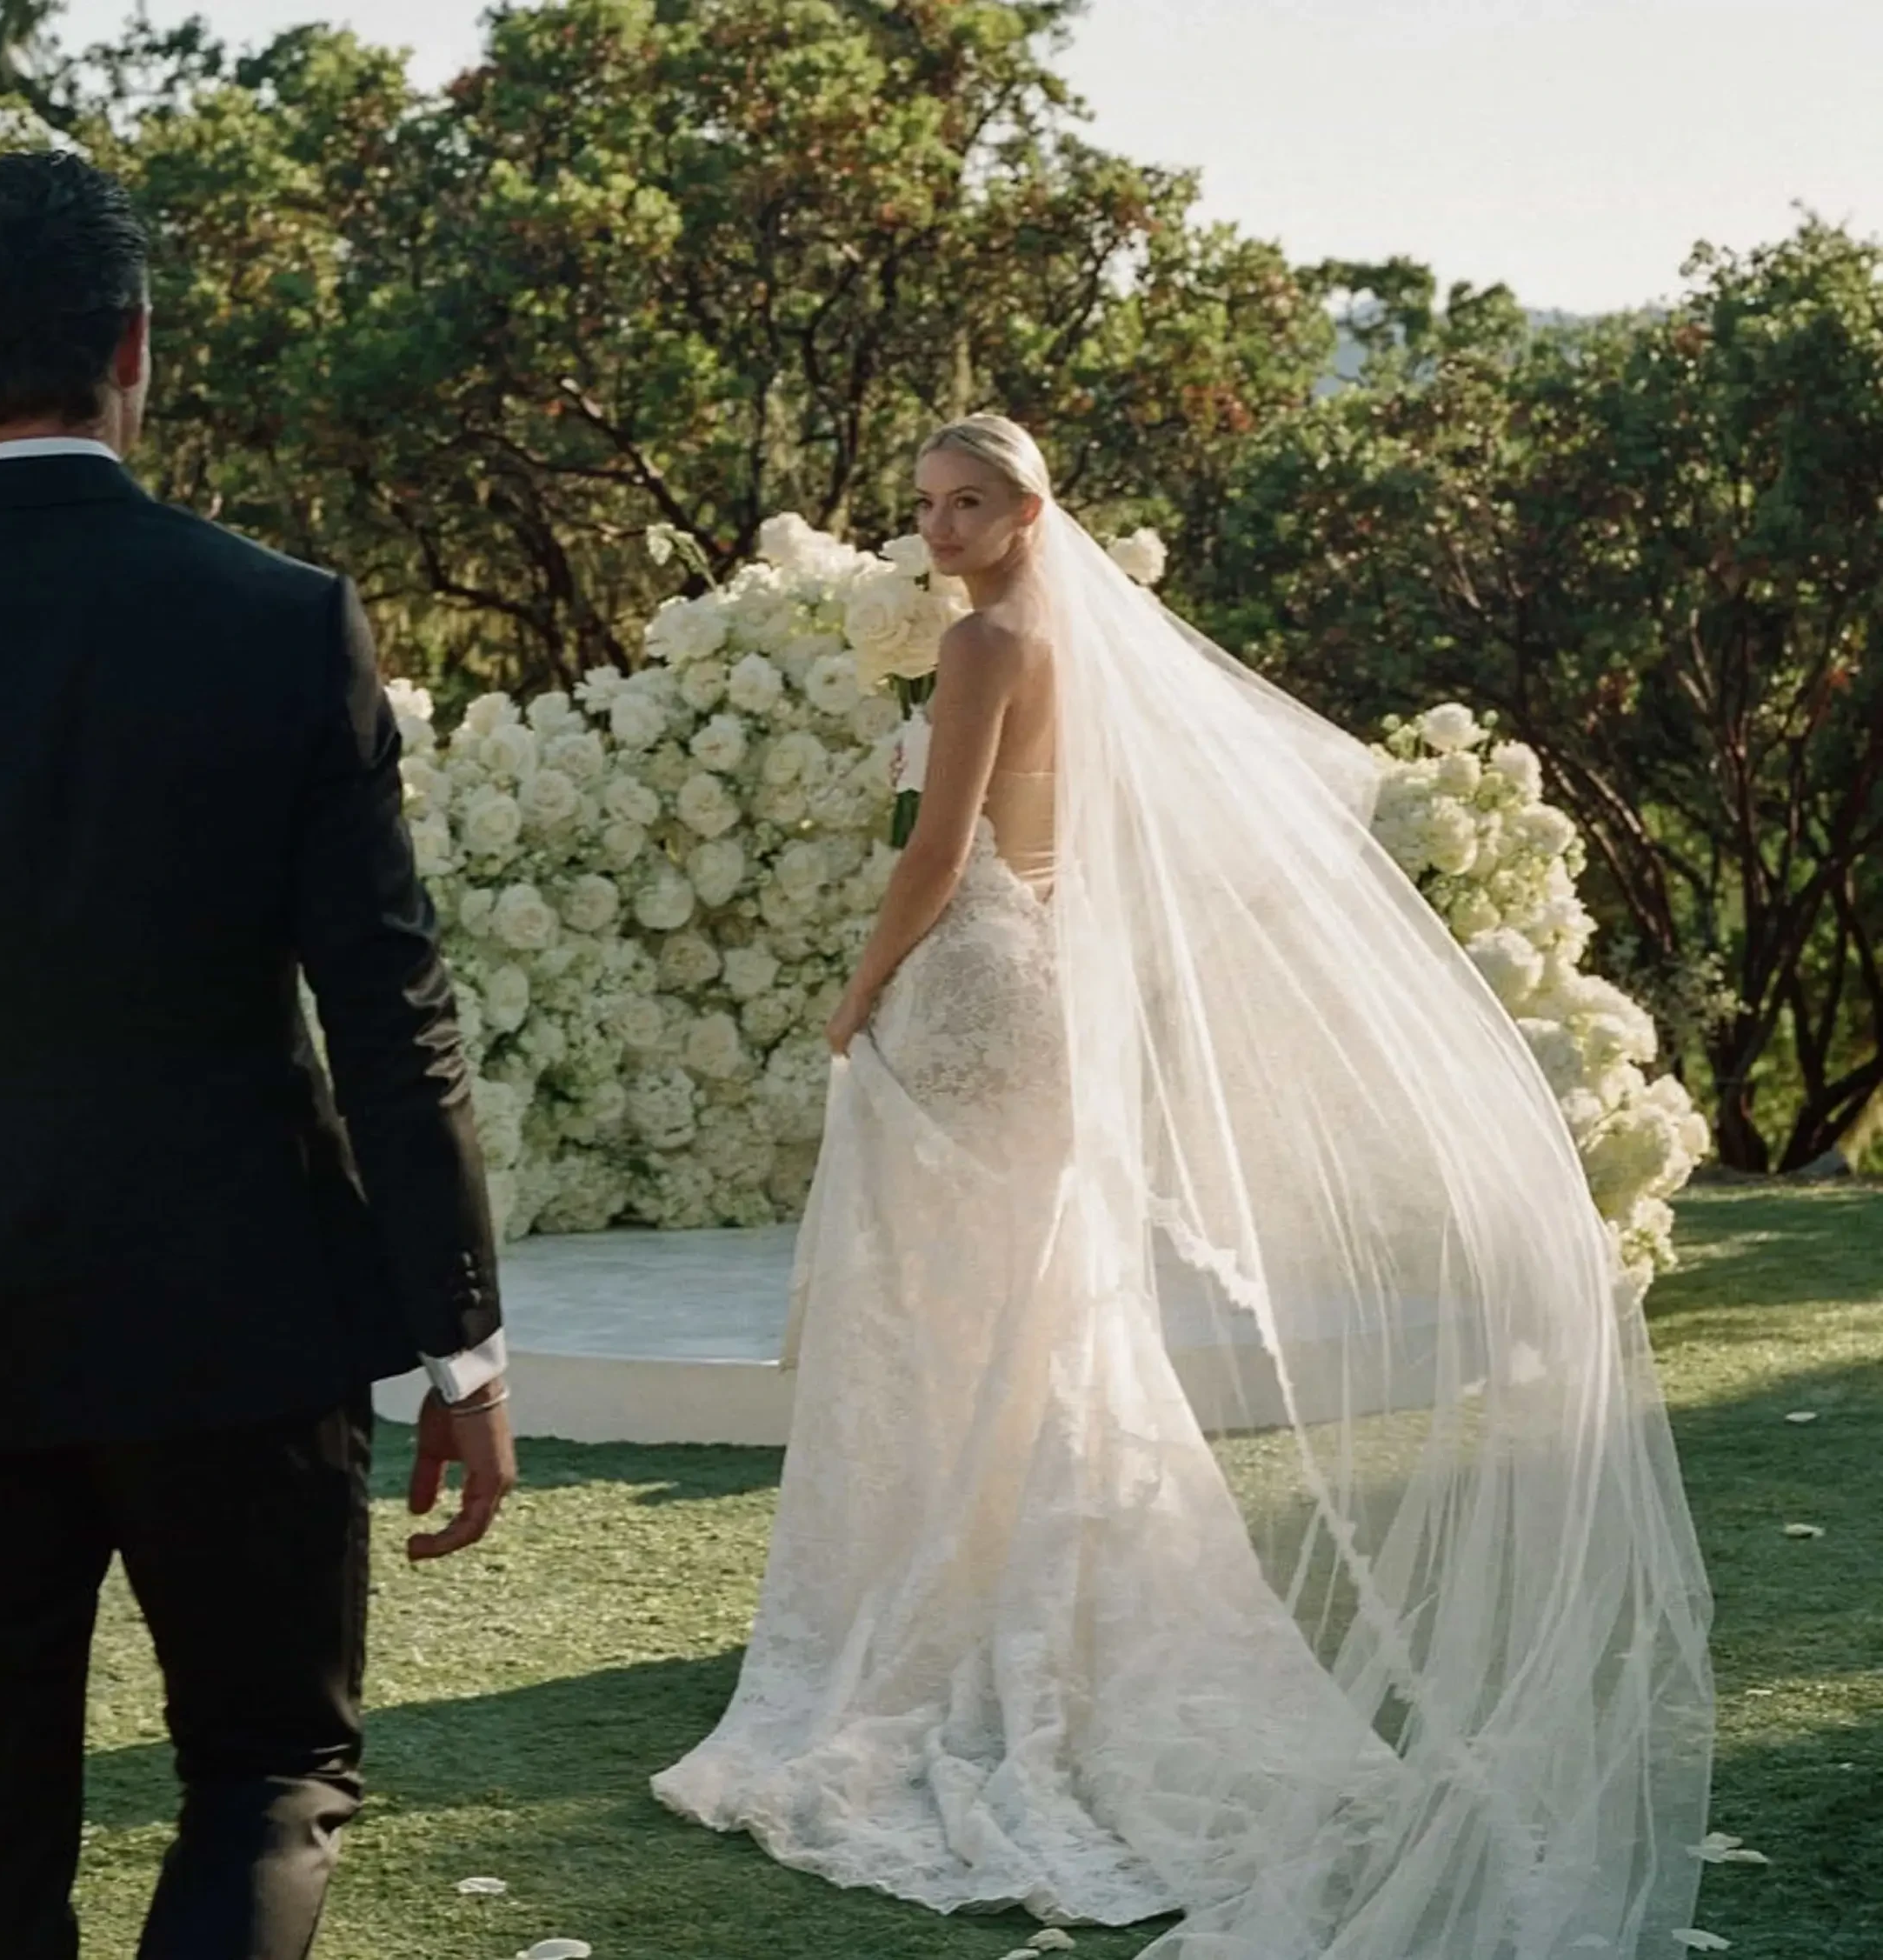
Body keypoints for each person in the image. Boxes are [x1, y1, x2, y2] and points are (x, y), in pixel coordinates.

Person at [655, 416, 1716, 1957]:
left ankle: (945, 1616)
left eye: (967, 506)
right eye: (927, 508)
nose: (939, 531)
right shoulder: (1069, 643)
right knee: (1033, 1303)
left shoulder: (978, 655)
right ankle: (1033, 1597)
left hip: (961, 988)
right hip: (1049, 990)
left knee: (936, 1305)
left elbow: (937, 851)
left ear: (1030, 512)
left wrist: (856, 992)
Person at [0, 150, 515, 1960]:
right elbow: (391, 1004)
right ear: (136, 347)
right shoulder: (281, 622)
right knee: (271, 1770)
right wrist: (460, 1331)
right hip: (247, 1318)